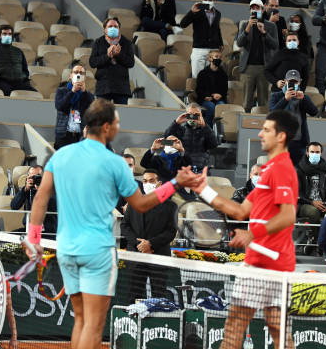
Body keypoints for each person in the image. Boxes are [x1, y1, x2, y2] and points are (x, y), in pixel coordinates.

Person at [24, 98, 200, 349]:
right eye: (116, 122)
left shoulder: (60, 156)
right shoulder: (115, 163)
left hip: (67, 249)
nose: (118, 127)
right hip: (97, 251)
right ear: (106, 127)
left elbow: (40, 198)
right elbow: (141, 204)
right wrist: (174, 184)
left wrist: (33, 239)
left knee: (81, 321)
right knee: (94, 325)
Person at [186, 110, 299, 349]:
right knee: (258, 326)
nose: (260, 133)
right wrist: (204, 190)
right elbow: (240, 211)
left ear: (281, 136)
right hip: (258, 259)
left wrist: (252, 234)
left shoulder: (282, 169)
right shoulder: (269, 170)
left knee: (262, 327)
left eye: (266, 129)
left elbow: (288, 215)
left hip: (272, 263)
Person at [121, 169, 177, 303]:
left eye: (151, 180)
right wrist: (139, 245)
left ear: (159, 184)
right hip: (136, 256)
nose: (147, 183)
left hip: (158, 257)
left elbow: (171, 231)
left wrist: (150, 244)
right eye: (145, 181)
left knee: (159, 296)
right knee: (134, 295)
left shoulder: (171, 206)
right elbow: (124, 226)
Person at [237, 0, 279, 113]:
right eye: (252, 8)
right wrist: (248, 28)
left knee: (263, 102)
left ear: (263, 9)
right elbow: (239, 43)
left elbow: (275, 45)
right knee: (246, 102)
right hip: (248, 68)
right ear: (250, 10)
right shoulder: (245, 24)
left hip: (264, 68)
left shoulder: (270, 26)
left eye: (258, 8)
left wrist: (264, 32)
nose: (255, 10)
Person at [268, 69, 317, 163]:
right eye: (290, 82)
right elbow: (271, 115)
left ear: (299, 82)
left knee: (299, 173)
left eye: (295, 82)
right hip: (281, 143)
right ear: (285, 81)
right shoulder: (276, 96)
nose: (293, 84)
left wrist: (304, 100)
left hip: (299, 143)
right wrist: (285, 99)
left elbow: (314, 112)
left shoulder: (303, 97)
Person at [89, 17, 135, 105]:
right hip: (103, 86)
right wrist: (107, 56)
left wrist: (119, 55)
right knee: (102, 115)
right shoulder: (98, 42)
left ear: (119, 29)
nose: (113, 28)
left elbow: (131, 63)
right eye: (110, 26)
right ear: (105, 29)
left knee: (121, 116)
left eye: (115, 26)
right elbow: (92, 62)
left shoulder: (126, 43)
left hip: (121, 88)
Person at [180, 0, 224, 78]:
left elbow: (217, 29)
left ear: (214, 0)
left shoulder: (218, 13)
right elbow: (183, 24)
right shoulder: (197, 11)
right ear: (201, 0)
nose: (207, 2)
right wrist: (191, 12)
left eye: (210, 0)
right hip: (199, 49)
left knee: (211, 77)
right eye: (205, 0)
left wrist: (220, 42)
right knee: (197, 78)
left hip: (213, 49)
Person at [164, 103, 218, 173]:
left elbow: (213, 144)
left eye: (196, 115)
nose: (192, 117)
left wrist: (204, 126)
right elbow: (166, 139)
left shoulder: (205, 130)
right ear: (186, 115)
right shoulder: (181, 129)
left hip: (200, 169)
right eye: (190, 114)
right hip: (182, 169)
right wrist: (176, 123)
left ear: (200, 115)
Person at [54, 64, 94, 149]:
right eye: (76, 72)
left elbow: (91, 112)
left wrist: (83, 93)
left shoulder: (88, 95)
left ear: (85, 78)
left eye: (81, 73)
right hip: (64, 135)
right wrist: (72, 91)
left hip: (80, 136)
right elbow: (60, 106)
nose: (78, 75)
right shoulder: (61, 91)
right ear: (70, 76)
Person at [11, 165, 57, 236]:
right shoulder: (26, 190)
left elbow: (54, 206)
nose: (35, 179)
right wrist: (25, 189)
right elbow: (14, 206)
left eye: (37, 176)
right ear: (28, 177)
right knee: (10, 236)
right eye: (32, 176)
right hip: (29, 230)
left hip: (48, 231)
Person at [296, 142, 326, 226]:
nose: (315, 154)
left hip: (322, 203)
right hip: (305, 204)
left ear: (321, 153)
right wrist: (312, 202)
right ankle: (316, 237)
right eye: (312, 152)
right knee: (314, 211)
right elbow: (298, 193)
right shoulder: (299, 169)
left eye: (317, 152)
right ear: (307, 153)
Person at [0, 25, 36, 96]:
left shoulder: (18, 51)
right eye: (4, 34)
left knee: (35, 95)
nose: (7, 36)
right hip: (2, 81)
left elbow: (25, 69)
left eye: (9, 34)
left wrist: (24, 77)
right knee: (8, 94)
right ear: (0, 36)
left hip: (20, 82)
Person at [195, 50, 228, 126]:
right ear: (210, 58)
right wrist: (208, 96)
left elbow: (225, 90)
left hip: (219, 99)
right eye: (216, 57)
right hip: (205, 99)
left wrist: (221, 95)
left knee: (221, 107)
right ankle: (207, 128)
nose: (218, 59)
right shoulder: (202, 73)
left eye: (220, 57)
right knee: (211, 107)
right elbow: (199, 90)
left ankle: (220, 131)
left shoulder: (223, 74)